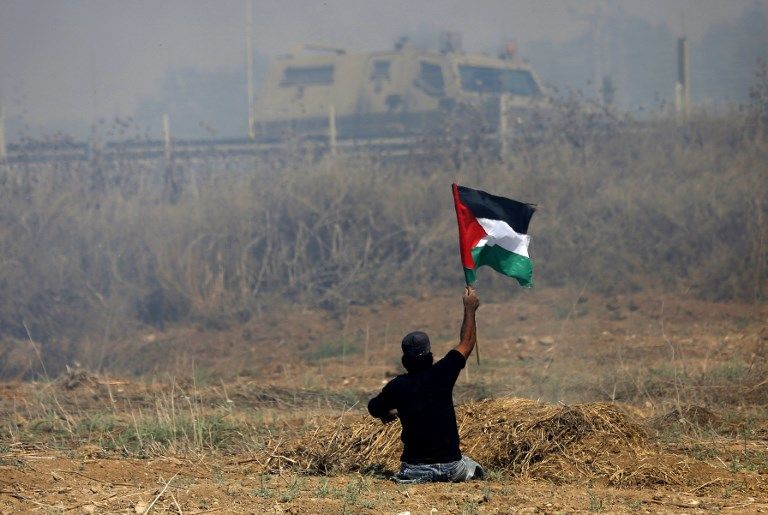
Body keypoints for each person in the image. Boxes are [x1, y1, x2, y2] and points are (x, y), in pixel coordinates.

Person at [367, 286, 484, 483]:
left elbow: (373, 407)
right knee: (473, 466)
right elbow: (467, 342)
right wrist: (470, 309)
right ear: (429, 355)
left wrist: (387, 414)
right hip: (451, 468)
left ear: (405, 359)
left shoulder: (397, 387)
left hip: (414, 472)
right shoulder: (444, 372)